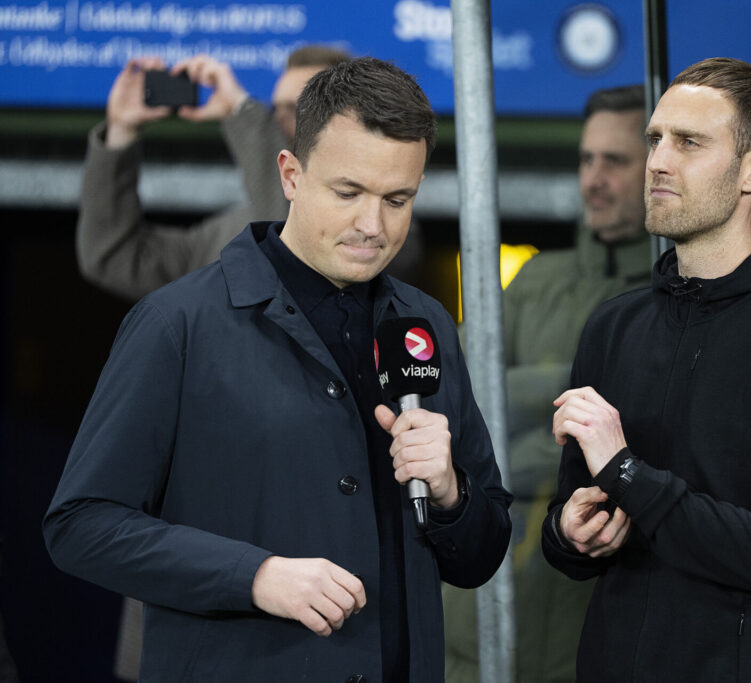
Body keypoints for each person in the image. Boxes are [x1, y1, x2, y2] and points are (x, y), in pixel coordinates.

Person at [44, 57, 512, 682]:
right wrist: (255, 577)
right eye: (348, 193)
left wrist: (452, 493)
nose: (372, 226)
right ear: (290, 175)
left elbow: (480, 555)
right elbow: (81, 526)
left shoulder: (424, 326)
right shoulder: (177, 323)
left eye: (398, 199)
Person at [541, 57, 751, 681]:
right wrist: (568, 532)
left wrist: (628, 473)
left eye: (689, 143)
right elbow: (570, 530)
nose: (659, 161)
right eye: (656, 140)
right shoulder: (614, 326)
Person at [442, 85, 651, 683]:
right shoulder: (535, 276)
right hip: (475, 622)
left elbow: (643, 440)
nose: (594, 178)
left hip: (588, 624)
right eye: (587, 159)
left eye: (615, 160)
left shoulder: (671, 295)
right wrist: (570, 395)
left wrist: (506, 437)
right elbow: (459, 400)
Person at [76, 46, 347, 300]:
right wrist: (120, 132)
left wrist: (240, 110)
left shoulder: (366, 230)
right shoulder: (230, 234)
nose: (276, 121)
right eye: (274, 109)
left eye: (299, 109)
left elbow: (290, 229)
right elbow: (115, 257)